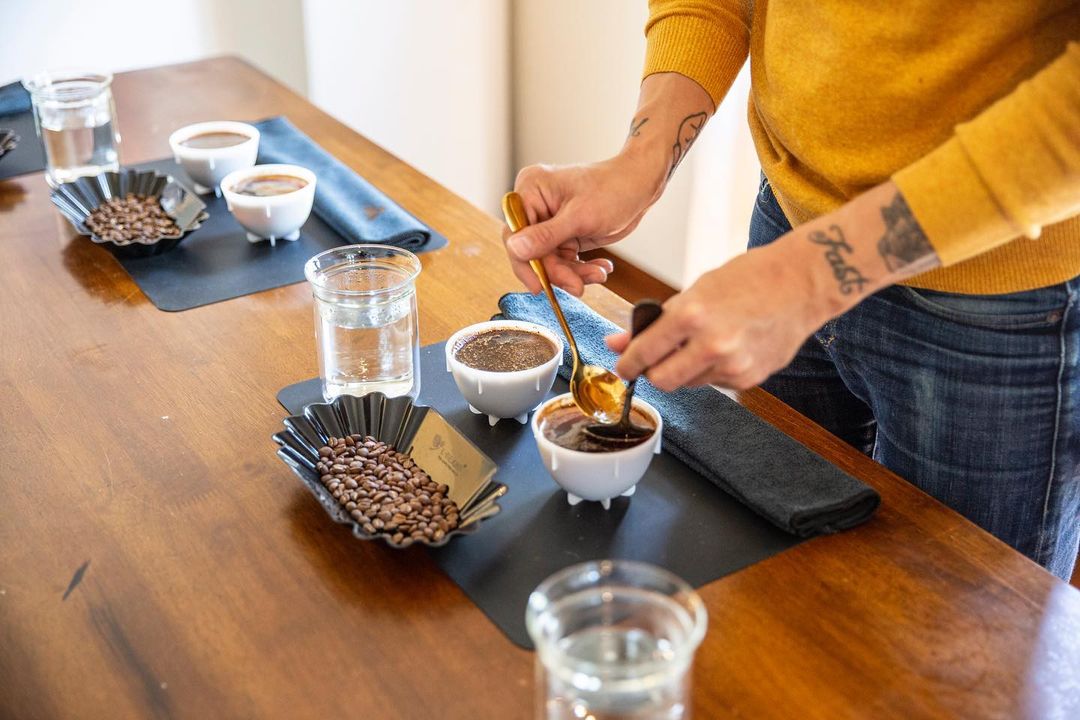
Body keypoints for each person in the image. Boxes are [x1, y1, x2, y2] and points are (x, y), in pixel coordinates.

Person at [501, 1, 1080, 580]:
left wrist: (810, 275)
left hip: (998, 299)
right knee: (781, 575)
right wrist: (642, 157)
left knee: (958, 637)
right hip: (788, 215)